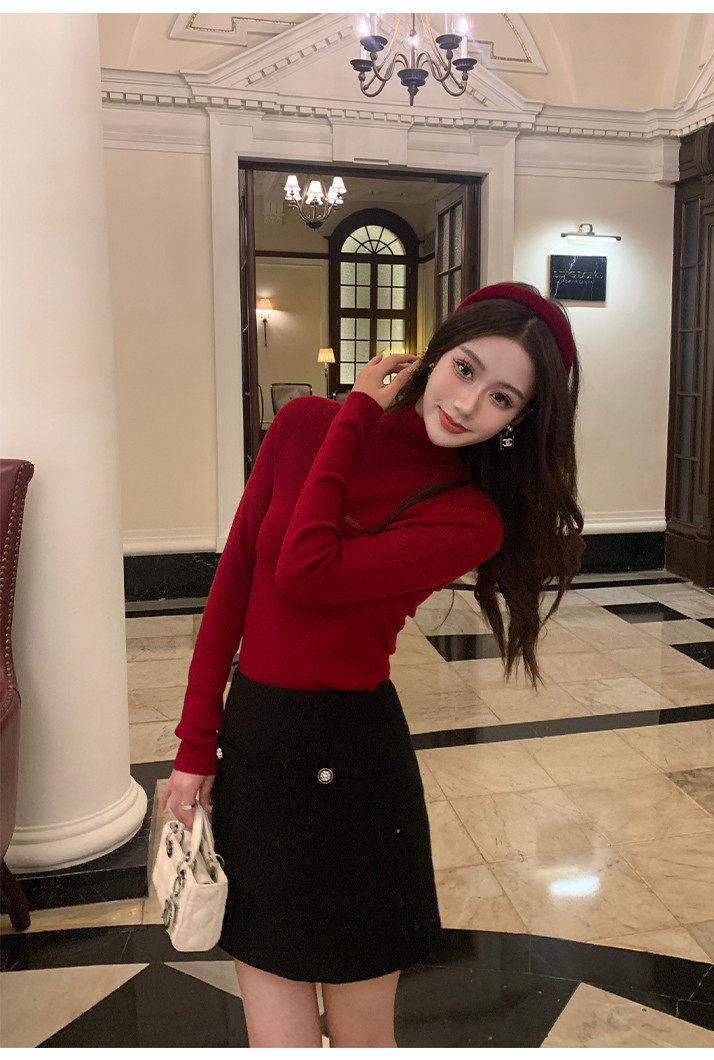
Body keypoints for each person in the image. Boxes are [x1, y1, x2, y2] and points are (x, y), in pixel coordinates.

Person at [158, 281, 585, 1048]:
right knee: (276, 1039)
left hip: (355, 771)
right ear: (434, 354)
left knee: (362, 1038)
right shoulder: (302, 427)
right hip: (258, 746)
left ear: (517, 423)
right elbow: (237, 584)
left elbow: (307, 570)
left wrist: (356, 414)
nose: (466, 404)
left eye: (501, 398)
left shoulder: (468, 518)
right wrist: (195, 747)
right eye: (464, 369)